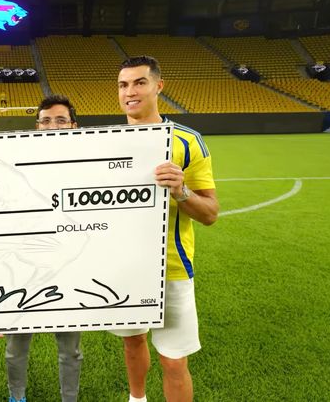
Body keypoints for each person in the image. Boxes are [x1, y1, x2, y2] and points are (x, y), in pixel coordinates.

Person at [112, 55, 218, 402]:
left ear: (159, 86)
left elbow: (210, 214)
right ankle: (137, 399)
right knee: (132, 342)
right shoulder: (106, 142)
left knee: (173, 360)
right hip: (122, 267)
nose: (130, 92)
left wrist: (181, 191)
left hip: (172, 267)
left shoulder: (187, 141)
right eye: (123, 85)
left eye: (139, 82)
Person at [0, 94, 83, 402]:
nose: (52, 126)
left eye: (60, 120)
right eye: (46, 121)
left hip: (69, 271)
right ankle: (17, 397)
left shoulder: (87, 166)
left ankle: (69, 398)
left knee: (70, 348)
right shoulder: (17, 166)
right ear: (37, 126)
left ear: (73, 126)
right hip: (23, 270)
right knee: (16, 347)